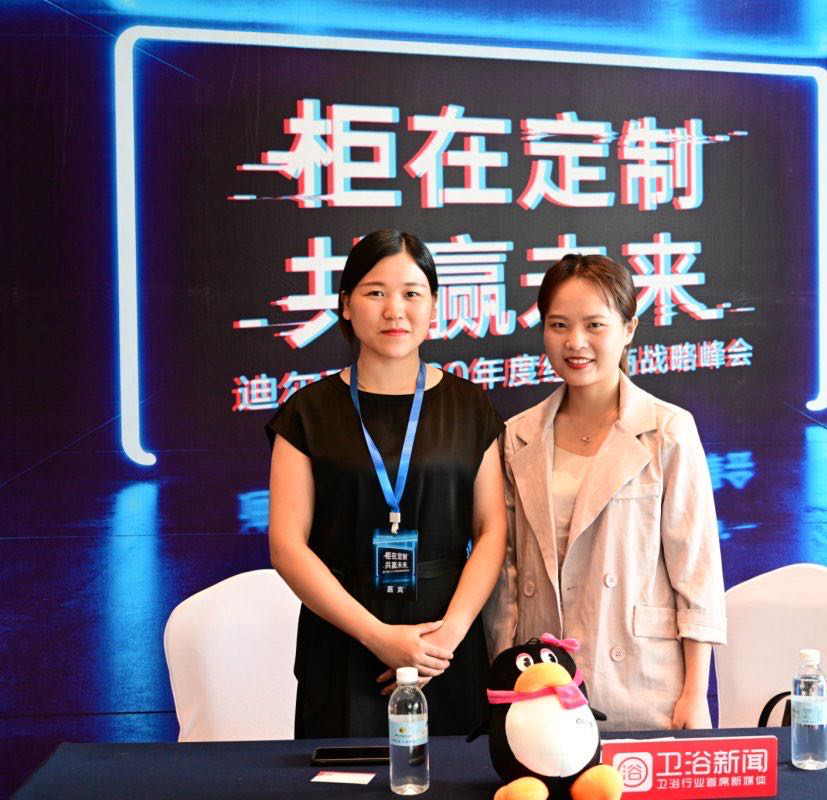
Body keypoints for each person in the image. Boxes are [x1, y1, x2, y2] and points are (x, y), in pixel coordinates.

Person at [267, 229, 506, 738]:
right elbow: (287, 546)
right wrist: (378, 636)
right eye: (375, 292)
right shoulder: (307, 413)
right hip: (344, 636)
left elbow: (491, 532)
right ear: (346, 305)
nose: (394, 310)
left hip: (445, 641)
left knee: (454, 773)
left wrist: (447, 638)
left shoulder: (471, 407)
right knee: (344, 774)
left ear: (433, 305)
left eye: (411, 293)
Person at [484, 254, 726, 731]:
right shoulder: (518, 436)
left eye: (594, 325)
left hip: (643, 684)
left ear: (628, 329)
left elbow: (696, 571)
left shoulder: (667, 431)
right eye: (559, 325)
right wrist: (504, 676)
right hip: (542, 684)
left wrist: (695, 695)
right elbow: (507, 580)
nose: (575, 342)